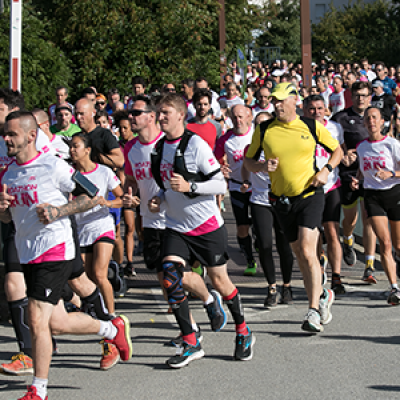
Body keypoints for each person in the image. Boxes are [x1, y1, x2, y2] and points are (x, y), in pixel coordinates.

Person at [0, 111, 132, 400]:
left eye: (12, 134)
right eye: (4, 134)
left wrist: (58, 211)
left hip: (56, 247)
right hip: (28, 251)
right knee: (56, 323)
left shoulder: (53, 166)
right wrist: (2, 208)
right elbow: (9, 219)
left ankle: (38, 389)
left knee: (36, 317)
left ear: (31, 135)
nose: (6, 139)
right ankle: (111, 329)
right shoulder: (8, 172)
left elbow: (91, 194)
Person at [149, 93, 254, 367]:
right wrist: (158, 198)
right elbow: (164, 186)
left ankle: (243, 331)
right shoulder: (158, 149)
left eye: (165, 112)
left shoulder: (195, 145)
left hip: (206, 226)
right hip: (176, 227)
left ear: (181, 115)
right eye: (159, 112)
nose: (160, 117)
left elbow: (220, 184)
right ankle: (191, 341)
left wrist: (190, 187)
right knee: (170, 277)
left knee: (221, 282)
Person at [244, 82, 343, 333]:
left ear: (294, 100)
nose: (276, 104)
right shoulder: (265, 129)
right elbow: (248, 161)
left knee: (308, 250)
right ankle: (322, 295)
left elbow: (337, 151)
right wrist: (262, 167)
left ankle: (312, 312)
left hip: (310, 194)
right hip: (280, 199)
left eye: (281, 100)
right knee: (298, 251)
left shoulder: (310, 125)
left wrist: (326, 171)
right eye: (274, 100)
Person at [241, 112, 294, 306]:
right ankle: (272, 287)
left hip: (282, 199)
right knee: (264, 244)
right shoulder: (252, 147)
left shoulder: (282, 144)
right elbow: (246, 165)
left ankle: (287, 285)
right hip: (260, 200)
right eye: (257, 125)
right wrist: (249, 177)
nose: (261, 129)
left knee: (284, 246)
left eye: (265, 124)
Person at [70, 132, 123, 315]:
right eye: (70, 146)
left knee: (99, 274)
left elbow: (121, 198)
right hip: (81, 228)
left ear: (87, 150)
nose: (72, 150)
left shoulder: (104, 171)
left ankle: (112, 315)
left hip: (102, 225)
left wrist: (107, 203)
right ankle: (96, 311)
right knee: (88, 276)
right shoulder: (70, 174)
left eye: (76, 146)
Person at [352, 106, 400, 304]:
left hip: (394, 193)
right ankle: (394, 288)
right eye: (367, 118)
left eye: (374, 118)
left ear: (382, 121)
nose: (371, 121)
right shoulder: (362, 146)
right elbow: (363, 169)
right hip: (372, 196)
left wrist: (391, 174)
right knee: (386, 244)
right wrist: (357, 179)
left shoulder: (392, 144)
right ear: (364, 123)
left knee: (398, 244)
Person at [332, 81, 378, 282]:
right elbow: (331, 144)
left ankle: (369, 265)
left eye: (365, 95)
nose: (361, 98)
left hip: (370, 175)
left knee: (370, 219)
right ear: (351, 96)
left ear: (370, 96)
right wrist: (342, 155)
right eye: (357, 95)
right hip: (349, 174)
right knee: (350, 219)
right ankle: (348, 239)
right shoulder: (341, 118)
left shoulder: (376, 116)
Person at [303, 95, 346, 294]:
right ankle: (319, 269)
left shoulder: (335, 128)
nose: (316, 112)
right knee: (315, 234)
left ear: (326, 109)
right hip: (309, 188)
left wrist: (347, 158)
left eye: (320, 108)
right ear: (304, 110)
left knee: (332, 231)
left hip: (331, 185)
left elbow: (341, 151)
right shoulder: (299, 128)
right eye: (312, 109)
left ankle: (336, 277)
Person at [214, 105, 258, 276]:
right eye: (234, 118)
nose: (238, 121)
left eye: (241, 117)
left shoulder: (256, 134)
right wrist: (221, 168)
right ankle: (249, 260)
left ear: (249, 116)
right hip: (237, 186)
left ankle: (259, 242)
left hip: (257, 187)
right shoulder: (226, 139)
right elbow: (215, 161)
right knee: (242, 227)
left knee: (260, 225)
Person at [74, 98, 124, 169]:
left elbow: (120, 161)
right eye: (76, 114)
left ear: (93, 113)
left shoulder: (104, 134)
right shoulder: (76, 137)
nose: (78, 117)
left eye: (82, 114)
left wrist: (96, 157)